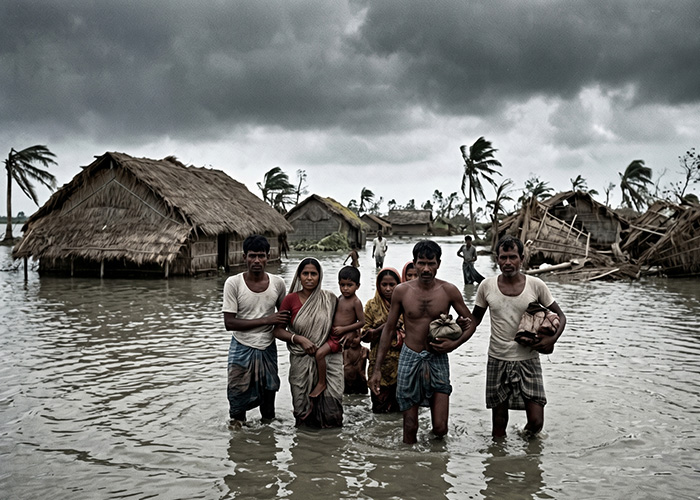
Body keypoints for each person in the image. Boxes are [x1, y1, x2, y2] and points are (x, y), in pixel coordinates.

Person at [369, 241, 477, 443]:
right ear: (415, 263)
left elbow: (471, 323)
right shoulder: (402, 291)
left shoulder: (449, 291)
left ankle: (435, 467)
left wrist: (453, 345)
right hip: (410, 356)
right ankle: (411, 467)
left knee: (440, 428)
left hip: (438, 357)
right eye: (421, 263)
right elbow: (389, 329)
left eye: (431, 263)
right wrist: (377, 369)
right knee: (410, 427)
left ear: (438, 263)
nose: (426, 269)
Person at [471, 235, 567, 439]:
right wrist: (452, 337)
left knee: (536, 422)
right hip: (497, 358)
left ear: (522, 259)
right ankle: (499, 464)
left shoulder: (536, 285)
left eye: (512, 257)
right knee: (498, 424)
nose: (507, 262)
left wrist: (552, 340)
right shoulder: (486, 286)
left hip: (528, 358)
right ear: (497, 259)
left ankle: (527, 451)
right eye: (503, 257)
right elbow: (474, 320)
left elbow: (561, 316)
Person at [222, 235, 289, 424]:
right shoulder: (233, 283)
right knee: (237, 404)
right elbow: (230, 323)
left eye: (261, 256)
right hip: (241, 347)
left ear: (269, 256)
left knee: (268, 405)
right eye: (252, 256)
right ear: (244, 257)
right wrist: (267, 319)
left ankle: (267, 447)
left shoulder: (277, 283)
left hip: (268, 347)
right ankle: (239, 446)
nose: (257, 261)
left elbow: (284, 317)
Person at [274, 258, 343, 427]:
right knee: (301, 410)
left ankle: (329, 447)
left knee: (331, 413)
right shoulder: (290, 300)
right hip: (301, 359)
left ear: (320, 276)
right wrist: (298, 339)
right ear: (299, 276)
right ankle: (303, 447)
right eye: (305, 274)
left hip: (327, 360)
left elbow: (340, 327)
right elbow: (277, 330)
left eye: (314, 274)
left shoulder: (330, 299)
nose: (309, 278)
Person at [310, 266, 364, 398]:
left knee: (319, 354)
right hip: (331, 334)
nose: (345, 288)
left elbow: (362, 322)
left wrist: (345, 330)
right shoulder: (339, 298)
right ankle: (319, 379)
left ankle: (322, 383)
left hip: (338, 338)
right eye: (342, 285)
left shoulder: (356, 302)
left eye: (349, 285)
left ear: (357, 286)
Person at [361, 267, 404, 413]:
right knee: (380, 411)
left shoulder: (406, 305)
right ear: (378, 285)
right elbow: (364, 336)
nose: (388, 289)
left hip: (402, 365)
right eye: (384, 285)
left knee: (401, 410)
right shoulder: (372, 306)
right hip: (379, 365)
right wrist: (385, 327)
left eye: (392, 285)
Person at [343, 327, 369, 395]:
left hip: (360, 380)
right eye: (351, 337)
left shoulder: (364, 350)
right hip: (347, 382)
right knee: (346, 399)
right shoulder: (344, 351)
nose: (353, 340)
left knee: (362, 398)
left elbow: (374, 362)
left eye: (356, 337)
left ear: (361, 337)